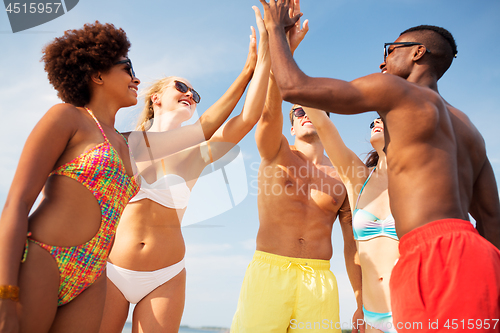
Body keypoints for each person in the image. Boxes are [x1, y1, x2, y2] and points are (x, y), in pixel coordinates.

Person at [259, 0, 500, 330]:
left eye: (390, 50)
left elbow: (294, 88)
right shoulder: (467, 127)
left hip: (430, 253)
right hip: (478, 256)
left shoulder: (396, 91)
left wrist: (274, 29)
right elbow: (491, 218)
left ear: (416, 53)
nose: (383, 61)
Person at [99, 8, 271, 333]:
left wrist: (267, 58)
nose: (190, 94)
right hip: (112, 271)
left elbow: (248, 117)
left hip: (167, 275)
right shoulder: (125, 143)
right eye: (181, 87)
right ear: (156, 98)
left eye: (195, 94)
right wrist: (247, 68)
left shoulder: (196, 155)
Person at [0, 22, 141, 333]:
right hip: (42, 258)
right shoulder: (67, 117)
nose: (137, 78)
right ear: (97, 74)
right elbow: (16, 203)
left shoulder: (128, 142)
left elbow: (203, 133)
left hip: (92, 274)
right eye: (128, 68)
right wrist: (5, 295)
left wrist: (257, 60)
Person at [231, 4, 362, 332]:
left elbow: (352, 244)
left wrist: (360, 300)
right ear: (290, 128)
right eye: (297, 112)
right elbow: (268, 114)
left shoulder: (341, 177)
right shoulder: (276, 153)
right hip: (269, 271)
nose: (302, 114)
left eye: (310, 110)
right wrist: (284, 50)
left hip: (319, 278)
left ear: (327, 120)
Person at [304, 108, 398, 333]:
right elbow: (325, 127)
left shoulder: (417, 181)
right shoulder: (360, 178)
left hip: (412, 309)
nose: (376, 122)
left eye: (383, 119)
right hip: (373, 314)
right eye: (374, 120)